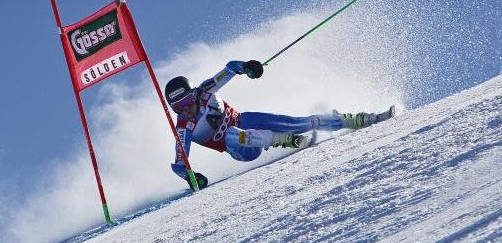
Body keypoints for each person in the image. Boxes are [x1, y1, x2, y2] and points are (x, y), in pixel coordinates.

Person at [165, 60, 395, 190]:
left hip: (245, 119)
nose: (185, 109)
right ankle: (282, 141)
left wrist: (247, 68)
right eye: (178, 107)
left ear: (193, 94)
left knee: (299, 123)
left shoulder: (206, 90)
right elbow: (178, 162)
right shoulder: (184, 128)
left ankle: (352, 120)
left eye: (185, 101)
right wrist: (190, 176)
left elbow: (230, 68)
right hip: (241, 149)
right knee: (233, 135)